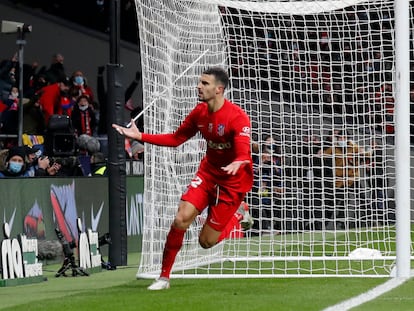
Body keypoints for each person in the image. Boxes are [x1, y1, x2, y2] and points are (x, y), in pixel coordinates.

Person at [112, 67, 253, 290]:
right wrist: (140, 136)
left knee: (206, 242)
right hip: (207, 175)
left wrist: (240, 160)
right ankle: (164, 277)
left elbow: (244, 149)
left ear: (219, 89)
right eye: (200, 82)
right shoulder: (199, 113)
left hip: (232, 182)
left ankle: (238, 216)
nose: (199, 86)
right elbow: (176, 138)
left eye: (205, 83)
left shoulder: (237, 117)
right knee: (181, 219)